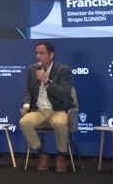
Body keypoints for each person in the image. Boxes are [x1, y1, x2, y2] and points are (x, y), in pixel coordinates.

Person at [18, 41, 76, 173]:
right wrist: (26, 105)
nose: (38, 56)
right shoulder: (32, 69)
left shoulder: (63, 70)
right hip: (39, 110)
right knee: (24, 122)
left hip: (58, 109)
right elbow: (28, 90)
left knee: (60, 123)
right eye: (36, 53)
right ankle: (42, 153)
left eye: (42, 53)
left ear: (51, 55)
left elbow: (65, 94)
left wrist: (47, 81)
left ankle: (61, 156)